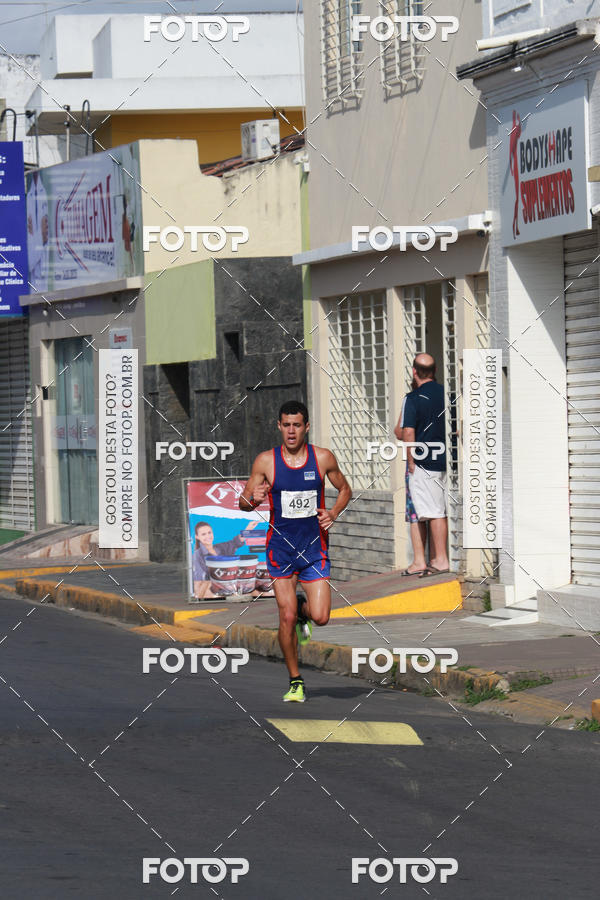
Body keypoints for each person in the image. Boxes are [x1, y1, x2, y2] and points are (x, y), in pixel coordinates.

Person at [240, 400, 352, 702]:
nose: (291, 431)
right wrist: (255, 497)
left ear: (306, 427)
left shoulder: (323, 458)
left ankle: (306, 610)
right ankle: (295, 680)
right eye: (286, 425)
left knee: (322, 617)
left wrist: (334, 513)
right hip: (281, 550)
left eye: (297, 425)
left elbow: (345, 489)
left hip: (314, 549)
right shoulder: (266, 461)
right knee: (286, 616)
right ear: (279, 426)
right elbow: (243, 502)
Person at [394, 352, 449, 577]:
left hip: (423, 462)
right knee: (424, 510)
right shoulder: (447, 394)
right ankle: (424, 560)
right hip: (445, 459)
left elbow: (406, 431)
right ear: (434, 372)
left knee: (433, 511)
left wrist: (411, 460)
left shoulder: (413, 398)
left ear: (414, 371)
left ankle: (440, 559)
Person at [192, 520, 258, 599]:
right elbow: (200, 579)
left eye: (209, 533)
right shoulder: (197, 555)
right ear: (197, 536)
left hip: (230, 591)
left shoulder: (220, 547)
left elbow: (235, 543)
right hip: (212, 594)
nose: (208, 536)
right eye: (203, 534)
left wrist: (248, 529)